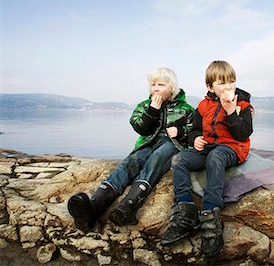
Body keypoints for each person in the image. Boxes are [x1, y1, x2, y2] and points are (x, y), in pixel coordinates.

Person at [68, 68, 194, 232]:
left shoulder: (186, 109)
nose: (155, 88)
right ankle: (93, 207)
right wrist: (152, 111)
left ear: (172, 87)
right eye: (153, 84)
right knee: (131, 161)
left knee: (157, 158)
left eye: (161, 84)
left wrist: (181, 132)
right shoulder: (144, 106)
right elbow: (139, 127)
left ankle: (129, 205)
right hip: (147, 141)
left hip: (172, 144)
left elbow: (194, 129)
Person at [161, 61, 253, 258]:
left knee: (215, 157)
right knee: (179, 160)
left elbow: (243, 134)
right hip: (208, 147)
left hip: (231, 148)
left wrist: (230, 111)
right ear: (210, 87)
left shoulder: (242, 105)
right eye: (222, 83)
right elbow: (194, 129)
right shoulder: (203, 105)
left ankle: (211, 215)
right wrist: (196, 139)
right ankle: (185, 209)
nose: (228, 87)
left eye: (232, 82)